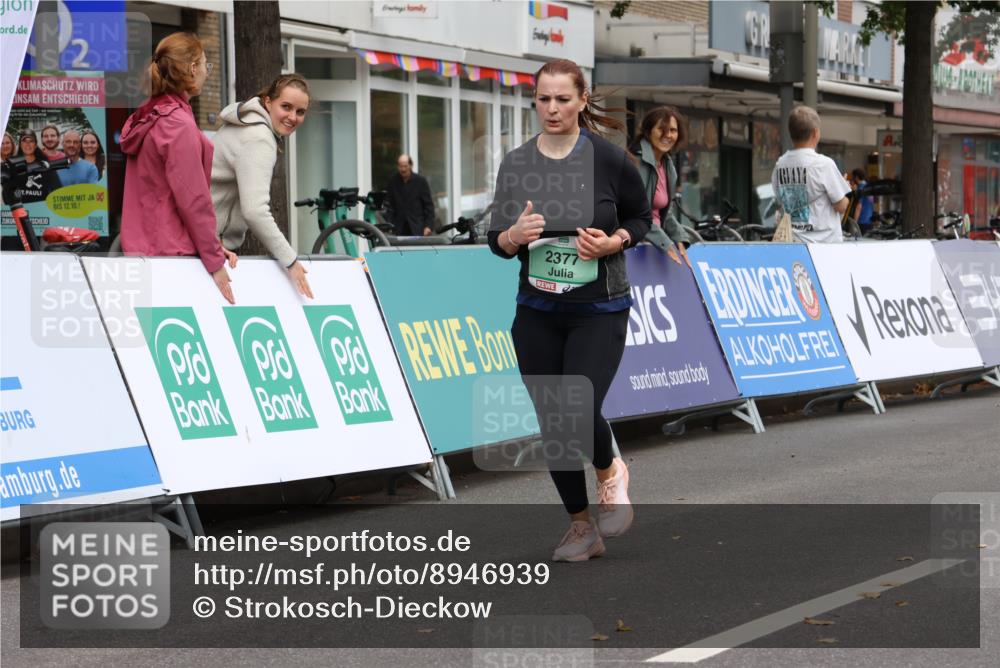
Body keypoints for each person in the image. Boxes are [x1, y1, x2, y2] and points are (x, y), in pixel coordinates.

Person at [488, 58, 651, 563]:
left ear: (582, 100)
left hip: (597, 308)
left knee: (576, 406)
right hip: (536, 308)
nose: (552, 108)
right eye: (543, 99)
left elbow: (641, 217)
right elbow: (496, 237)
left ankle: (610, 471)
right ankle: (581, 527)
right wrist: (512, 237)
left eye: (563, 99)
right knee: (553, 421)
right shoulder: (517, 163)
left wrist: (614, 242)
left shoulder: (609, 160)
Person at [120, 32, 236, 304]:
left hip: (144, 251)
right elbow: (193, 200)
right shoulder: (178, 124)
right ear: (192, 69)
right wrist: (214, 260)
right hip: (174, 256)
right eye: (206, 65)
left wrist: (212, 248)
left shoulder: (149, 116)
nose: (207, 73)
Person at [212, 73, 313, 298]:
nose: (292, 117)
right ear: (268, 102)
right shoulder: (259, 138)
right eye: (285, 106)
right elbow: (255, 211)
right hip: (209, 248)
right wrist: (291, 260)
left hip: (206, 243)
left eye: (300, 111)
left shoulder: (247, 123)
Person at [770, 106, 851, 243]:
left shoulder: (780, 165)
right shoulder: (823, 164)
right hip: (823, 246)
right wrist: (845, 189)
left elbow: (780, 199)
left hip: (793, 242)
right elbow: (841, 206)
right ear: (815, 133)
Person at [629, 106, 693, 266]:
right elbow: (637, 214)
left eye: (673, 130)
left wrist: (679, 237)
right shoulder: (636, 162)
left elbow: (666, 213)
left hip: (653, 244)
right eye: (661, 129)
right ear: (648, 131)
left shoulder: (668, 165)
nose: (668, 135)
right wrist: (665, 242)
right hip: (633, 247)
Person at [386, 154, 435, 236]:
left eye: (405, 166)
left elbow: (428, 206)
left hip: (417, 227)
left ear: (411, 166)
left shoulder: (420, 182)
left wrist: (428, 226)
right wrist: (389, 225)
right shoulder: (393, 182)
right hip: (398, 229)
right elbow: (390, 206)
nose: (403, 169)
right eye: (400, 166)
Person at [13, 129, 60, 203]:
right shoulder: (13, 167)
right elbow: (7, 193)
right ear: (20, 144)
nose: (28, 144)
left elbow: (58, 190)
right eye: (24, 141)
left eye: (31, 141)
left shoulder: (46, 166)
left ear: (35, 145)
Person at [847, 167, 874, 232]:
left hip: (861, 221)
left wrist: (854, 223)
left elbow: (859, 206)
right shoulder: (869, 187)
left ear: (856, 177)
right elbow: (872, 203)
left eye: (853, 177)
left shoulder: (860, 189)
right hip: (869, 220)